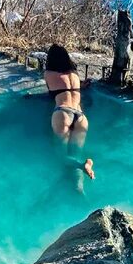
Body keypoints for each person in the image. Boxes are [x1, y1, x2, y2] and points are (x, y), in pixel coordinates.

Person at [44, 44, 95, 182]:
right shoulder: (75, 74)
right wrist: (82, 85)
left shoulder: (48, 74)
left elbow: (51, 91)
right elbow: (72, 88)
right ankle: (79, 187)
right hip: (81, 117)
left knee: (61, 156)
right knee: (76, 154)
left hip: (62, 113)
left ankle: (81, 165)